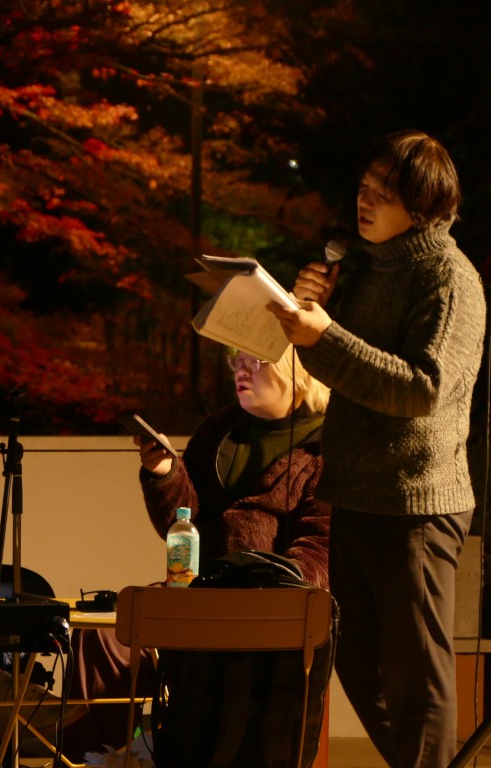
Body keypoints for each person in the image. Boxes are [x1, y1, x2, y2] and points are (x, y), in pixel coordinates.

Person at [268, 129, 487, 768]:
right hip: (357, 493)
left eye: (382, 193)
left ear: (421, 205)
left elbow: (423, 389)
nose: (364, 201)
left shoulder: (449, 278)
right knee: (359, 666)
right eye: (363, 187)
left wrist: (326, 337)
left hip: (416, 501)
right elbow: (346, 369)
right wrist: (314, 315)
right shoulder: (369, 266)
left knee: (418, 679)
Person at [62, 344, 331, 758]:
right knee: (102, 632)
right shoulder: (218, 431)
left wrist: (268, 583)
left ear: (291, 367)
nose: (240, 370)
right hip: (199, 592)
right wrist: (164, 474)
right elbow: (182, 525)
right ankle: (102, 756)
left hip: (274, 607)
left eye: (254, 361)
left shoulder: (326, 444)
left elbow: (322, 545)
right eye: (236, 361)